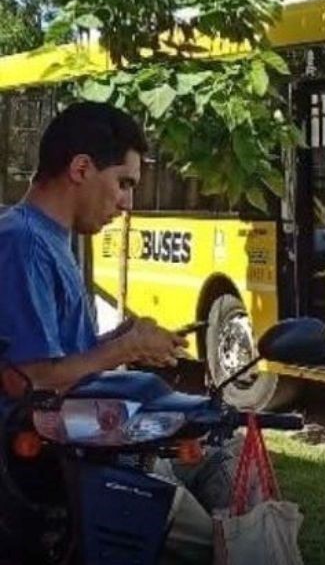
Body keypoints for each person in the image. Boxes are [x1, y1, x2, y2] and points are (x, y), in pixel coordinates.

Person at [0, 101, 232, 564]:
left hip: (89, 444)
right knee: (227, 544)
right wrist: (125, 347)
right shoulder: (23, 243)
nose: (127, 204)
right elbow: (29, 383)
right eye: (123, 183)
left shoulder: (49, 238)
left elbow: (62, 359)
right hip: (57, 469)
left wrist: (124, 339)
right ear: (81, 169)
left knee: (227, 458)